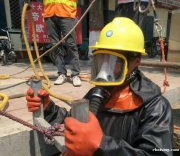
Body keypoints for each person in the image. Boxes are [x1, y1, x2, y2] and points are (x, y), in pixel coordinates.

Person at [26, 17, 173, 155]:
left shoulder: (155, 108)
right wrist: (48, 108)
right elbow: (73, 121)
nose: (104, 71)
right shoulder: (96, 95)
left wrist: (102, 145)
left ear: (136, 62)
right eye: (101, 60)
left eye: (114, 62)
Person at [25, 0, 99, 87]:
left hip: (67, 14)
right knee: (55, 46)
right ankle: (62, 73)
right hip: (50, 13)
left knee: (71, 44)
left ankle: (75, 74)